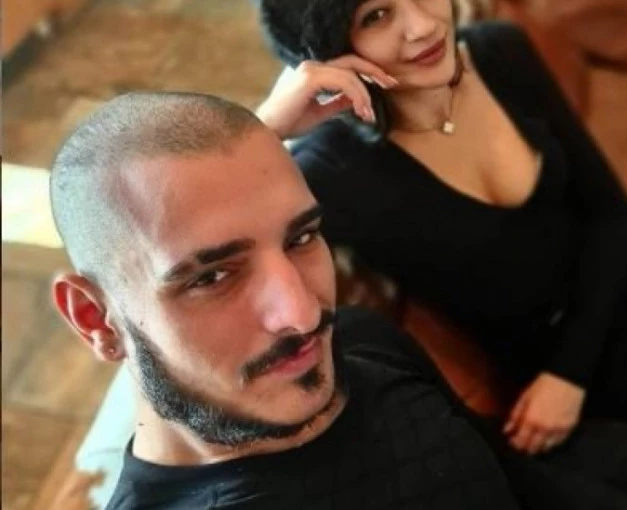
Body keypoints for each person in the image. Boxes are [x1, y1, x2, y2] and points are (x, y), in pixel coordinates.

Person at [254, 0, 627, 456]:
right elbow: (213, 248)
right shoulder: (331, 173)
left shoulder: (497, 50)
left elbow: (610, 213)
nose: (423, 25)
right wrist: (267, 128)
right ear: (330, 50)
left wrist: (568, 375)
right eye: (377, 15)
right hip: (584, 347)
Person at [48, 91, 525, 509]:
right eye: (212, 276)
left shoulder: (360, 342)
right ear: (97, 321)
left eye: (301, 238)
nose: (304, 314)